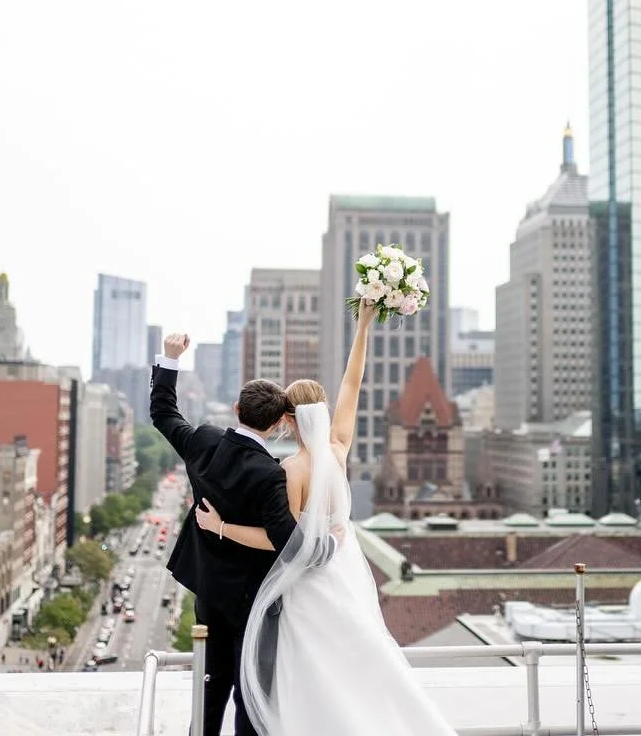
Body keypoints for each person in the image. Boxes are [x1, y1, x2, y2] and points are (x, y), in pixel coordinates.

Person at [195, 304, 457, 736]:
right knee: (355, 654)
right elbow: (353, 382)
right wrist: (363, 325)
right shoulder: (338, 450)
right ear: (321, 408)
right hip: (346, 572)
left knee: (307, 668)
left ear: (286, 420)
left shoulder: (291, 471)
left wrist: (219, 527)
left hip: (307, 584)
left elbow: (282, 542)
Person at [150, 332, 333, 736]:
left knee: (210, 684)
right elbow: (289, 541)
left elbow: (163, 413)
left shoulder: (203, 442)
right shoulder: (270, 475)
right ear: (274, 425)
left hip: (208, 590)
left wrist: (171, 358)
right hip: (251, 601)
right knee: (249, 690)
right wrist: (329, 543)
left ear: (236, 409)